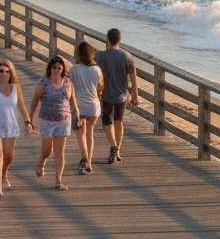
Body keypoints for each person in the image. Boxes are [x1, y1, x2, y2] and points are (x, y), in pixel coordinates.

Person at [0, 59, 35, 197]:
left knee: (9, 156)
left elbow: (21, 105)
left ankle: (4, 173)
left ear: (11, 73)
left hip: (11, 125)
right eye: (1, 71)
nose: (4, 74)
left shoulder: (16, 88)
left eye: (7, 71)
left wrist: (28, 122)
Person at [29, 56, 81, 192]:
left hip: (63, 121)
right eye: (54, 67)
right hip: (46, 120)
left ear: (63, 69)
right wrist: (29, 119)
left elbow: (73, 101)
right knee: (47, 150)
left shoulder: (68, 83)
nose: (57, 70)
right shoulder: (43, 83)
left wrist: (77, 116)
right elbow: (35, 101)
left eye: (59, 68)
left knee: (60, 151)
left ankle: (58, 180)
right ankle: (42, 160)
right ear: (50, 68)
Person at [96, 28, 138, 164]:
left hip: (106, 94)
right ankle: (117, 150)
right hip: (122, 95)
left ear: (107, 40)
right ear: (120, 40)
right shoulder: (128, 56)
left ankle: (113, 146)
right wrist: (135, 95)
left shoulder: (100, 56)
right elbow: (133, 77)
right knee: (119, 121)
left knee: (107, 121)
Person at [70, 42, 104, 174]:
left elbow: (71, 88)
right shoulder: (97, 70)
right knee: (90, 133)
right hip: (93, 105)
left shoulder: (74, 69)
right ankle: (89, 162)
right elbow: (100, 88)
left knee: (80, 134)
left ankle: (84, 158)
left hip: (80, 105)